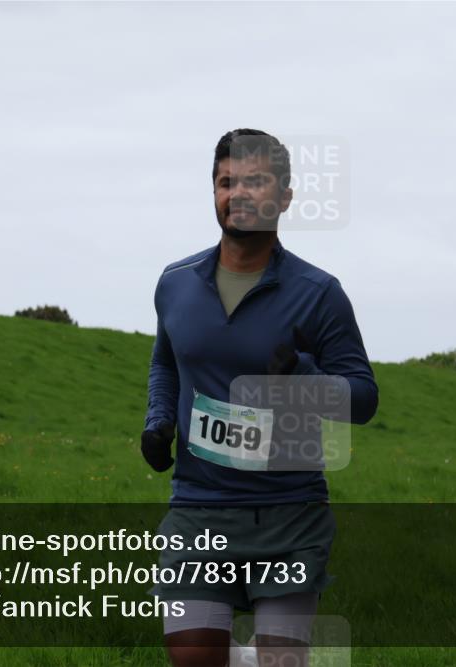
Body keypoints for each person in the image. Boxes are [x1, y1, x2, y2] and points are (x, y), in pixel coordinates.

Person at [142, 129, 378, 667]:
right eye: (227, 182)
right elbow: (165, 362)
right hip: (199, 510)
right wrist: (158, 422)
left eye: (254, 181)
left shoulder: (318, 293)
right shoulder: (174, 283)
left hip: (288, 514)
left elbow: (363, 398)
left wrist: (305, 380)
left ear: (285, 196)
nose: (238, 194)